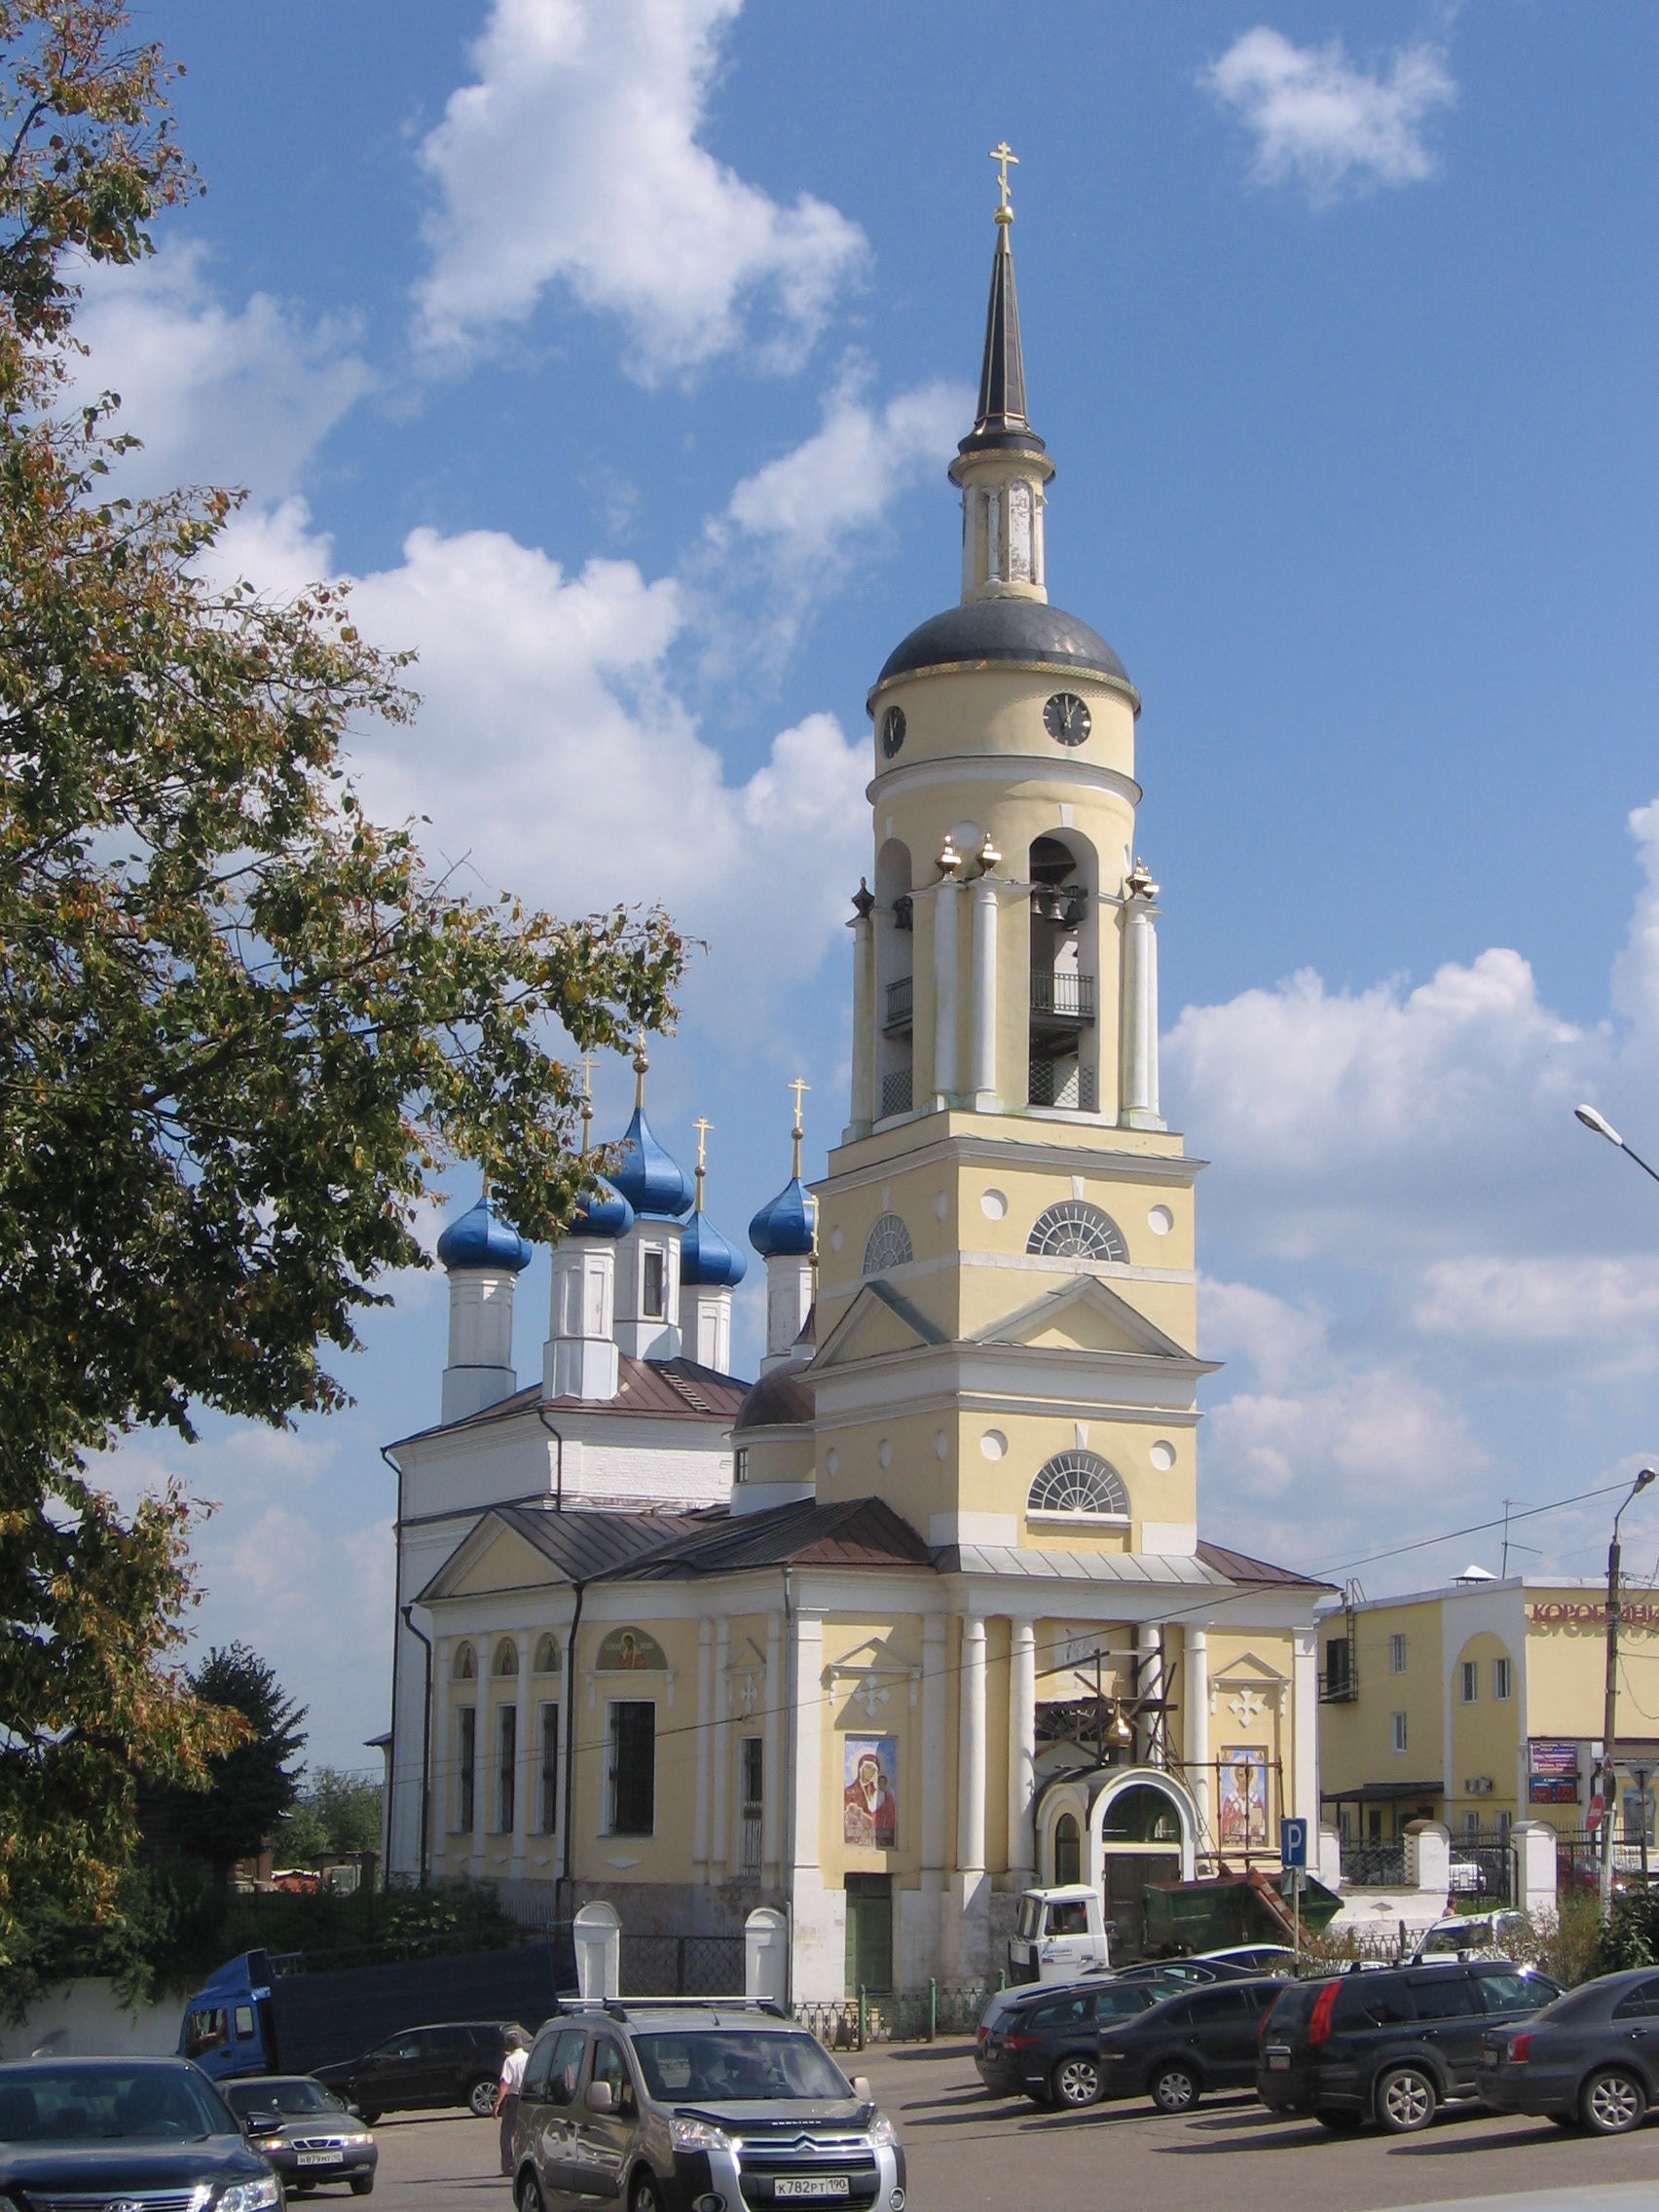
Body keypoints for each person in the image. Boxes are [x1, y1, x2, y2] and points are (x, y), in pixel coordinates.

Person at [496, 2028, 530, 2175]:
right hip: (528, 2097)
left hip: (514, 2098)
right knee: (523, 2132)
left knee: (507, 2133)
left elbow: (505, 2083)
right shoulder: (529, 2057)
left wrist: (497, 2103)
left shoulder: (510, 2061)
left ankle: (509, 2165)